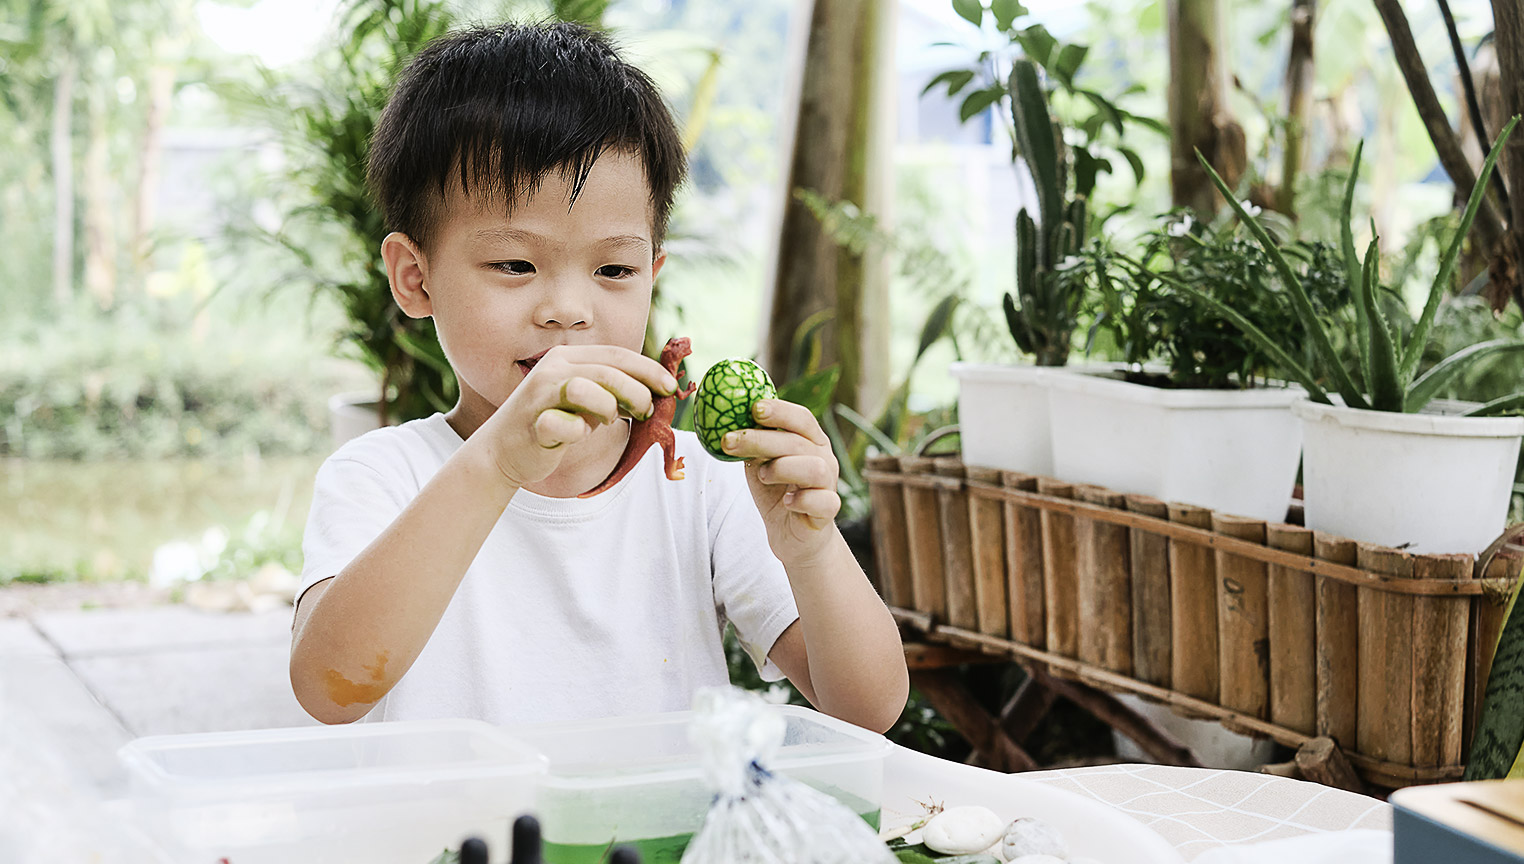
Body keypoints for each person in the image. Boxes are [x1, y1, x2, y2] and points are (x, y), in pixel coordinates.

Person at [288, 20, 909, 733]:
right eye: (514, 265)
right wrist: (495, 463)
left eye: (613, 269)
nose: (567, 311)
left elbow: (868, 709)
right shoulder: (382, 476)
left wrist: (810, 547)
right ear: (415, 278)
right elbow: (330, 689)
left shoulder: (701, 482)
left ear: (653, 275)